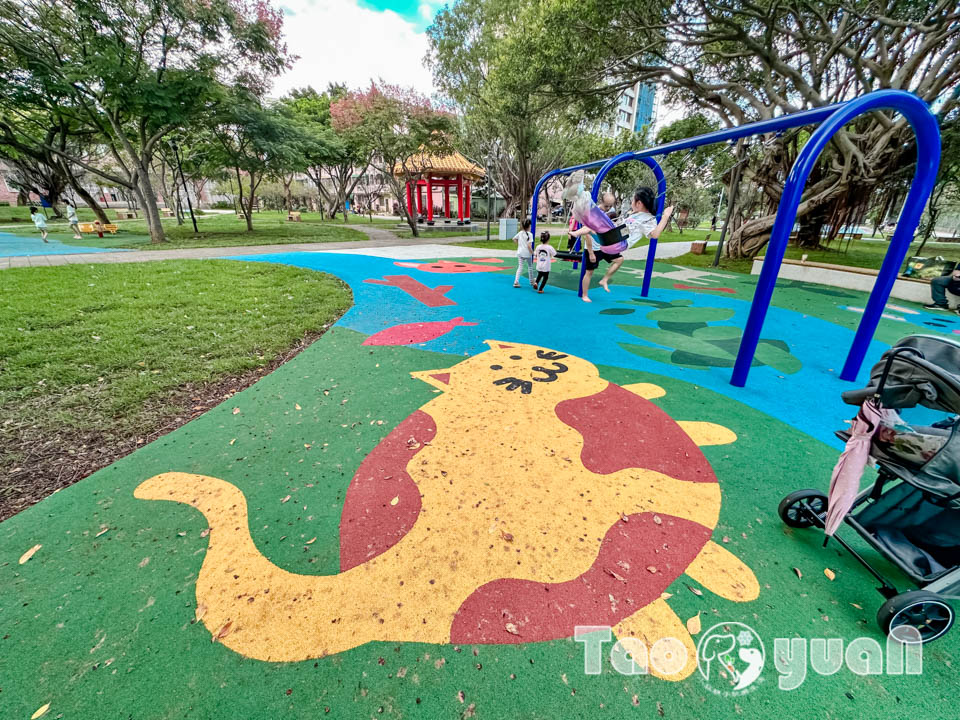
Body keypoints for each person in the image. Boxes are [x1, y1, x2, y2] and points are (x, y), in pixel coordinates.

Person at [578, 186, 674, 303]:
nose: (631, 202)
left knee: (595, 224)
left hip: (619, 243)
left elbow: (655, 234)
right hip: (612, 240)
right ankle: (582, 203)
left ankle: (583, 200)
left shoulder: (648, 219)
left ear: (638, 203)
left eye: (632, 200)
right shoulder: (635, 214)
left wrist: (665, 217)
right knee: (593, 225)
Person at [513, 218, 536, 288]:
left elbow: (514, 239)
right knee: (530, 267)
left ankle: (516, 281)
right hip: (527, 253)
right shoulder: (530, 234)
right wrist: (533, 253)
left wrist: (519, 245)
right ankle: (531, 281)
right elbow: (529, 246)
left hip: (520, 252)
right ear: (529, 226)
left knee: (520, 267)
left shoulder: (520, 233)